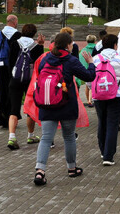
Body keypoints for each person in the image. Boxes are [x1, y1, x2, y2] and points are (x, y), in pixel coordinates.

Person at [33, 32, 95, 186]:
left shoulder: (46, 58)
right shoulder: (71, 60)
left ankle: (40, 171)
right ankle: (72, 168)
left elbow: (40, 74)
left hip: (47, 104)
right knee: (68, 137)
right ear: (69, 45)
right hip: (67, 104)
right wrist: (91, 62)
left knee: (46, 138)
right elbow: (89, 76)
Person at [92, 34, 120, 165]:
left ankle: (103, 151)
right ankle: (108, 156)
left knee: (102, 122)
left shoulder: (95, 59)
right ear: (115, 45)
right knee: (112, 124)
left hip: (99, 95)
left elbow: (89, 79)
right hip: (117, 95)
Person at [7, 23, 45, 149]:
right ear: (34, 33)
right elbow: (40, 64)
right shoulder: (37, 47)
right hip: (30, 81)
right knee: (30, 108)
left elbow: (11, 61)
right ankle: (30, 135)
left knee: (14, 108)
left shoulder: (14, 43)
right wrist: (40, 45)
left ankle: (12, 137)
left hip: (15, 78)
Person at [0, 15, 21, 128]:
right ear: (14, 22)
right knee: (12, 93)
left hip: (0, 67)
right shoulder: (18, 35)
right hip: (12, 68)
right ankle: (12, 116)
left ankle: (1, 117)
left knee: (2, 91)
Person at [78, 35, 97, 107]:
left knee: (87, 86)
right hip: (96, 69)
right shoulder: (97, 49)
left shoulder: (83, 50)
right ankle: (93, 99)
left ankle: (88, 100)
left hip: (86, 70)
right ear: (95, 41)